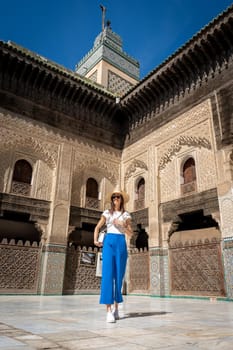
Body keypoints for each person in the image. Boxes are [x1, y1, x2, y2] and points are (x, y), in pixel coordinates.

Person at [94, 187, 132, 323]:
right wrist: (95, 240)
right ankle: (108, 311)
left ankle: (116, 309)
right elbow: (98, 227)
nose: (115, 199)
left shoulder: (126, 215)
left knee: (118, 276)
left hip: (121, 243)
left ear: (122, 199)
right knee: (108, 275)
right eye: (114, 197)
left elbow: (130, 233)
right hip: (109, 242)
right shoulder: (107, 213)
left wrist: (122, 225)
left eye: (118, 197)